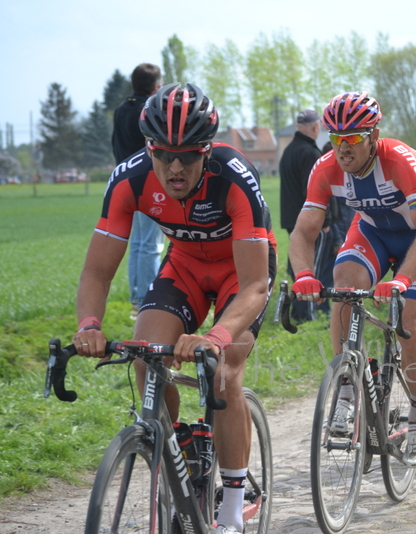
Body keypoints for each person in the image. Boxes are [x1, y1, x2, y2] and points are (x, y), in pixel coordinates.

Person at [72, 82, 277, 534]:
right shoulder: (129, 178)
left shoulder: (234, 175)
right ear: (150, 149)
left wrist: (215, 337)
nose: (175, 166)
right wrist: (89, 324)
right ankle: (181, 444)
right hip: (184, 265)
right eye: (163, 154)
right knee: (148, 356)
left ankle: (232, 508)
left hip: (240, 275)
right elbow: (96, 273)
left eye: (188, 155)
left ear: (208, 151)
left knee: (222, 371)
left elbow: (255, 286)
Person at [289, 91, 416, 466]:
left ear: (374, 135)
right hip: (372, 233)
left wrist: (403, 279)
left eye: (353, 138)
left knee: (411, 321)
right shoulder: (325, 168)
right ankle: (346, 389)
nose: (343, 147)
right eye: (336, 137)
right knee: (343, 285)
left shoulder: (403, 161)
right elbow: (303, 231)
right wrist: (305, 274)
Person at [111, 63, 164, 320]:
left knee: (138, 243)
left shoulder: (121, 109)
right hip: (148, 182)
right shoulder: (149, 109)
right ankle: (147, 298)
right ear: (155, 87)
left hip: (125, 182)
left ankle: (136, 298)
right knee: (151, 245)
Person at [279, 109, 324, 323]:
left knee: (296, 265)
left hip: (291, 217)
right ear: (315, 127)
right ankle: (307, 313)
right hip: (307, 221)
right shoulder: (309, 153)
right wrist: (325, 221)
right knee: (310, 267)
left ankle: (296, 311)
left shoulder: (289, 150)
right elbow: (315, 193)